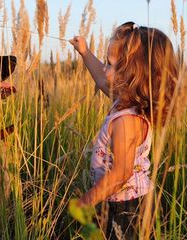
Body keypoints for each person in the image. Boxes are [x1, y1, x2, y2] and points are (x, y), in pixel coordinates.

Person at [69, 21, 178, 239]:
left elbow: (121, 173)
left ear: (132, 73)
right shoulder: (125, 101)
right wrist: (85, 52)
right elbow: (101, 80)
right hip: (116, 199)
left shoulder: (127, 120)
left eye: (110, 64)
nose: (104, 68)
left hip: (128, 209)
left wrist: (85, 202)